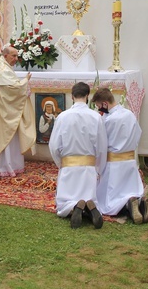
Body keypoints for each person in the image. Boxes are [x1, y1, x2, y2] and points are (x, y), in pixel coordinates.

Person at [49, 82, 107, 228]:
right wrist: (98, 168)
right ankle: (89, 206)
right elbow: (101, 146)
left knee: (63, 202)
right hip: (88, 169)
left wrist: (61, 163)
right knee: (90, 195)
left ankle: (73, 207)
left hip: (69, 168)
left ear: (72, 96)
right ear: (88, 96)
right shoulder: (95, 117)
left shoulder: (62, 117)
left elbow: (54, 145)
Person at [91, 88, 148, 224]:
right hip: (129, 162)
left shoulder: (106, 120)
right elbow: (138, 134)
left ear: (105, 103)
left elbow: (101, 143)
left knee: (106, 201)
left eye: (99, 106)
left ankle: (127, 204)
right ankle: (138, 202)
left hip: (113, 163)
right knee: (130, 188)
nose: (100, 109)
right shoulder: (129, 114)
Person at [0, 46, 36, 176]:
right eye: (13, 56)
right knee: (5, 135)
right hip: (4, 112)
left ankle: (7, 165)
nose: (16, 59)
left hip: (3, 109)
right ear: (5, 56)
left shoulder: (1, 66)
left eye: (16, 56)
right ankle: (3, 166)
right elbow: (14, 89)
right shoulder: (3, 70)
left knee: (5, 135)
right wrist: (26, 80)